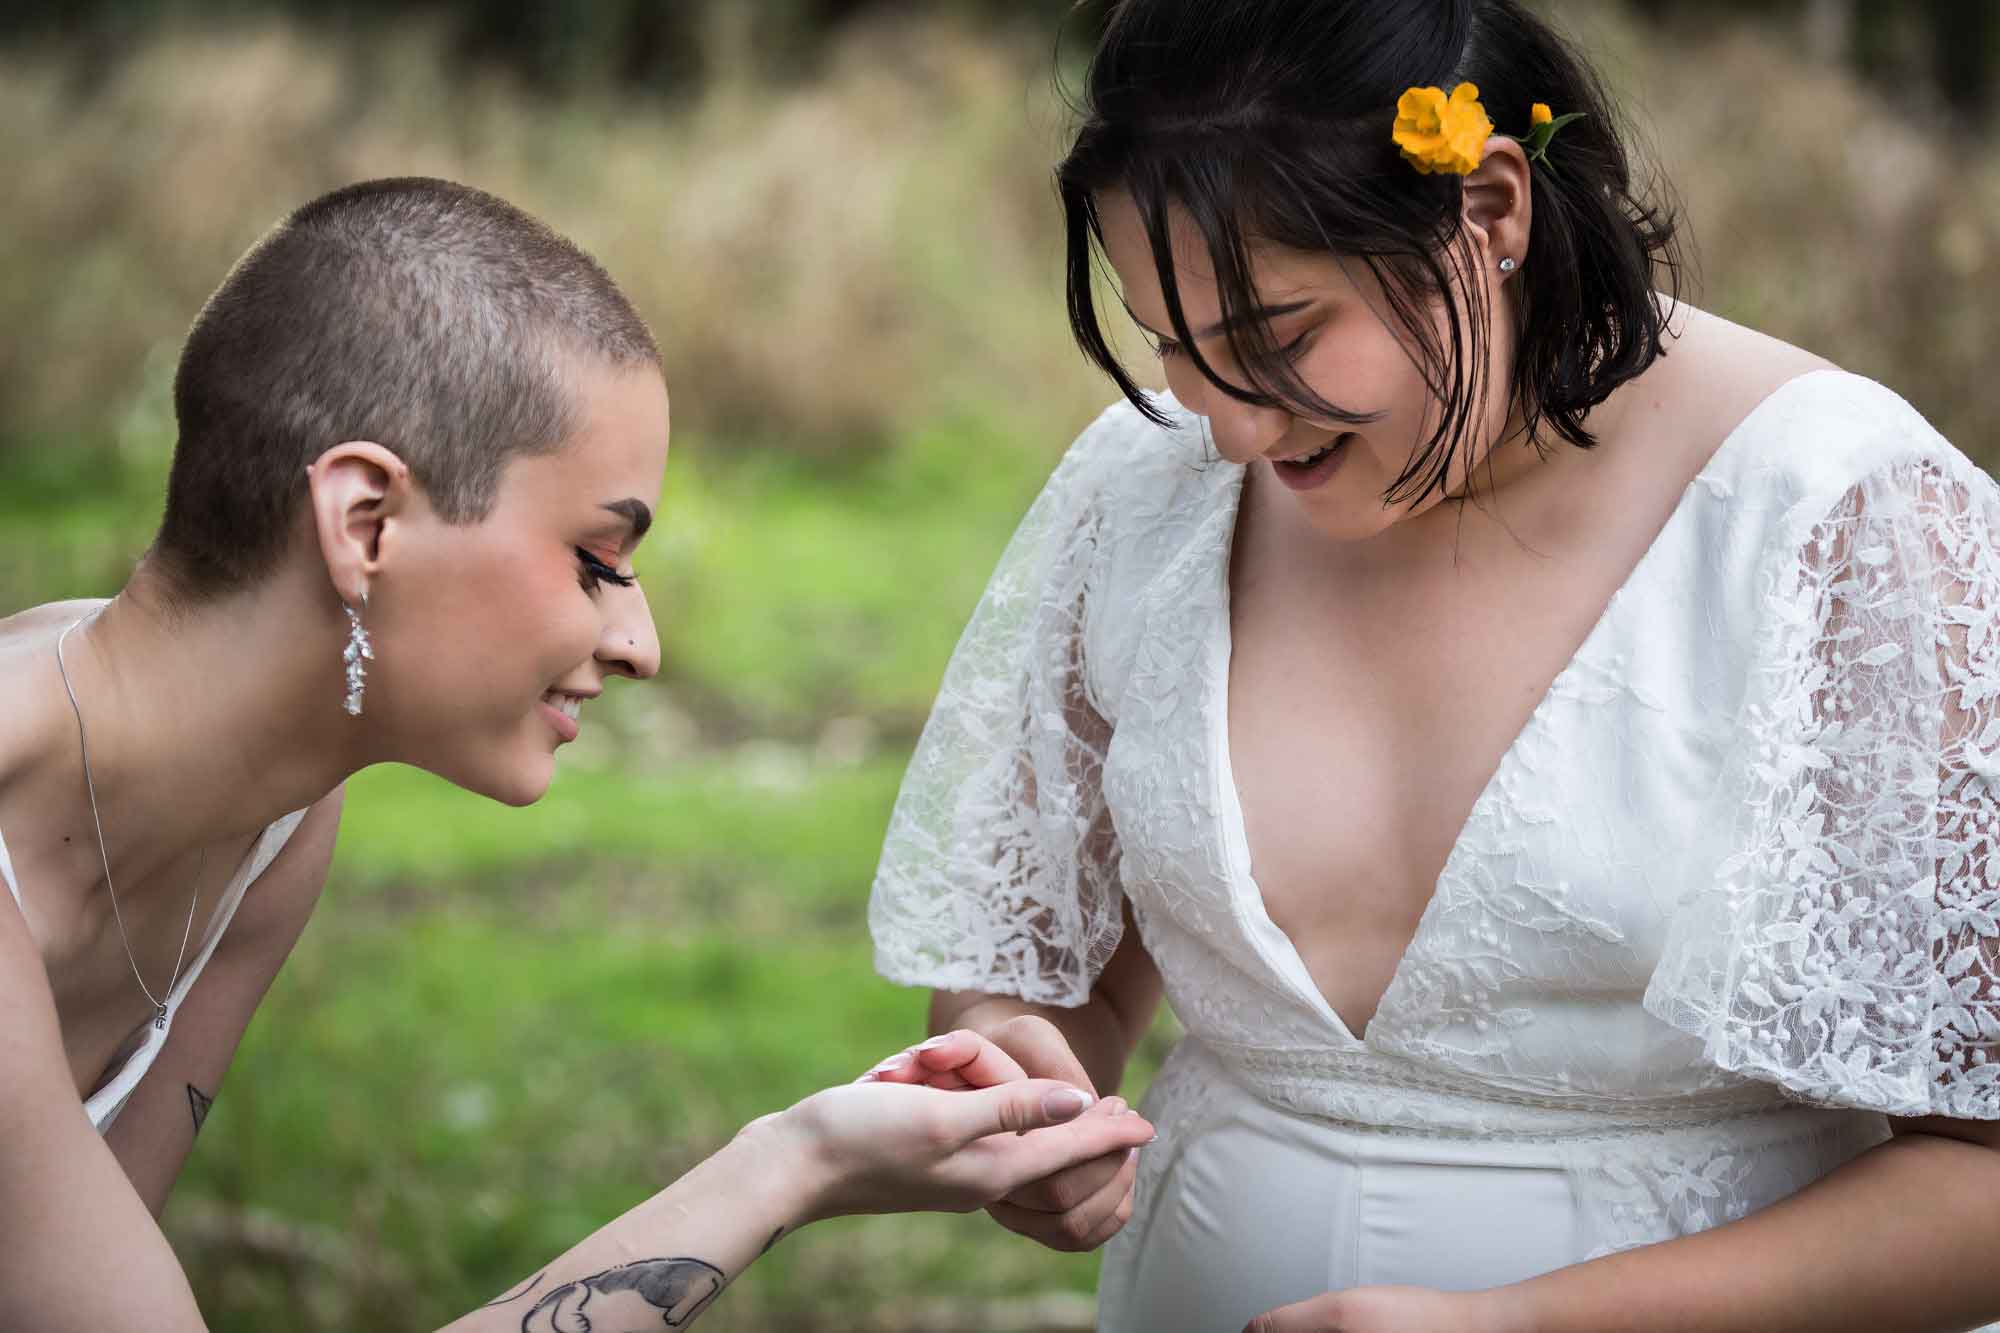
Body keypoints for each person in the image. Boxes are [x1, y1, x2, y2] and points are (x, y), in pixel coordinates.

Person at [867, 1, 2000, 1329]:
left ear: (1493, 210)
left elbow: (1980, 1179)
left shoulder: (1840, 515)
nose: (1228, 430)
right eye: (1177, 352)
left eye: (1277, 337)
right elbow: (1058, 958)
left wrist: (1515, 1325)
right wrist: (1023, 1068)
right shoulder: (1142, 490)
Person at [0, 176, 1157, 1332]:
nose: (640, 642)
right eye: (597, 561)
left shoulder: (274, 823)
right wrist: (786, 1168)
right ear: (365, 523)